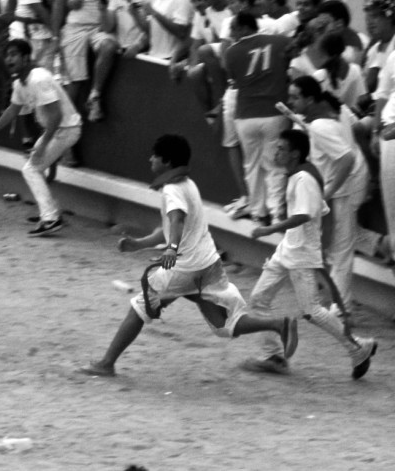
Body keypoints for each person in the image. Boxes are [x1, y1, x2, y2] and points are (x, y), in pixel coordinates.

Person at [77, 133, 297, 377]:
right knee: (225, 325)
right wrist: (139, 244)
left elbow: (177, 220)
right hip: (209, 263)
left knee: (139, 308)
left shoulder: (172, 189)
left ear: (167, 162)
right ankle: (278, 324)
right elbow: (170, 228)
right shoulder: (188, 185)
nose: (151, 159)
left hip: (184, 266)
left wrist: (171, 249)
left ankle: (106, 363)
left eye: (155, 156)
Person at [244, 129, 378, 378]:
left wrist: (269, 228)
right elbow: (320, 209)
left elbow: (304, 214)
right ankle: (272, 356)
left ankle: (358, 347)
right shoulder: (302, 175)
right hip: (290, 249)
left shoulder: (304, 179)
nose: (276, 152)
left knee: (312, 311)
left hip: (301, 253)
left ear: (295, 154)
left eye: (282, 149)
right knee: (259, 299)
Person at [0, 39, 82, 236]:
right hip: (58, 130)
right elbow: (13, 109)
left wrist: (44, 144)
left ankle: (50, 218)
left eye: (14, 54)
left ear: (25, 58)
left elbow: (57, 115)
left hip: (65, 129)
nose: (9, 59)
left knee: (31, 169)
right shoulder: (20, 82)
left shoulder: (38, 78)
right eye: (7, 55)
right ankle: (50, 212)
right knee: (35, 168)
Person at [287, 76, 369, 314]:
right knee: (340, 242)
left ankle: (341, 307)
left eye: (295, 97)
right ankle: (377, 244)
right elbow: (352, 138)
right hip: (347, 183)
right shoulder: (337, 110)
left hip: (343, 187)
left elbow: (346, 158)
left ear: (310, 99)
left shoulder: (320, 126)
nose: (291, 102)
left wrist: (327, 193)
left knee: (340, 248)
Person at [222, 11, 290, 226]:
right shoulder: (281, 41)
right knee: (275, 165)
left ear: (243, 27)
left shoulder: (232, 52)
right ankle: (277, 213)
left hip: (245, 115)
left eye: (233, 28)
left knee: (252, 166)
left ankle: (258, 212)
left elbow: (233, 78)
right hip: (274, 112)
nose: (231, 33)